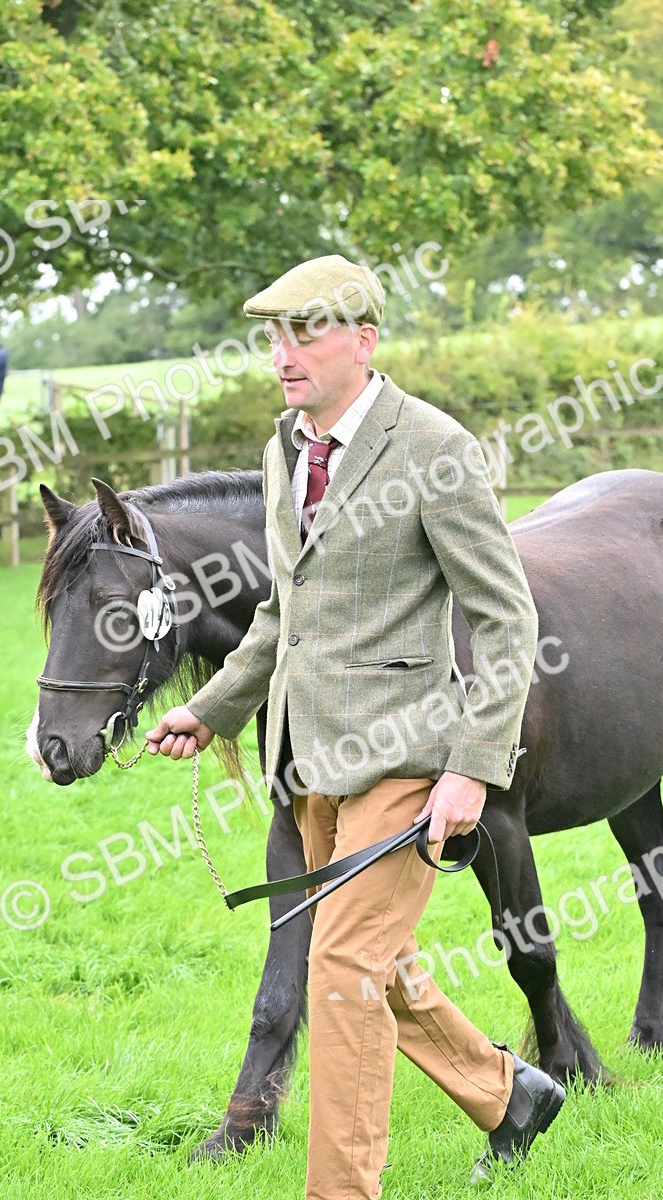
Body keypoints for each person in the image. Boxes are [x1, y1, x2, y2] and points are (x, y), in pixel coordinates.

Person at [146, 255, 565, 1200]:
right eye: (274, 337)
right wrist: (208, 710)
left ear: (363, 340)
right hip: (310, 766)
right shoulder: (284, 450)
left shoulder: (434, 447)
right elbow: (280, 615)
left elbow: (507, 619)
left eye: (305, 334)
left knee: (340, 969)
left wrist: (473, 770)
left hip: (410, 761)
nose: (283, 356)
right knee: (377, 959)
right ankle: (509, 1095)